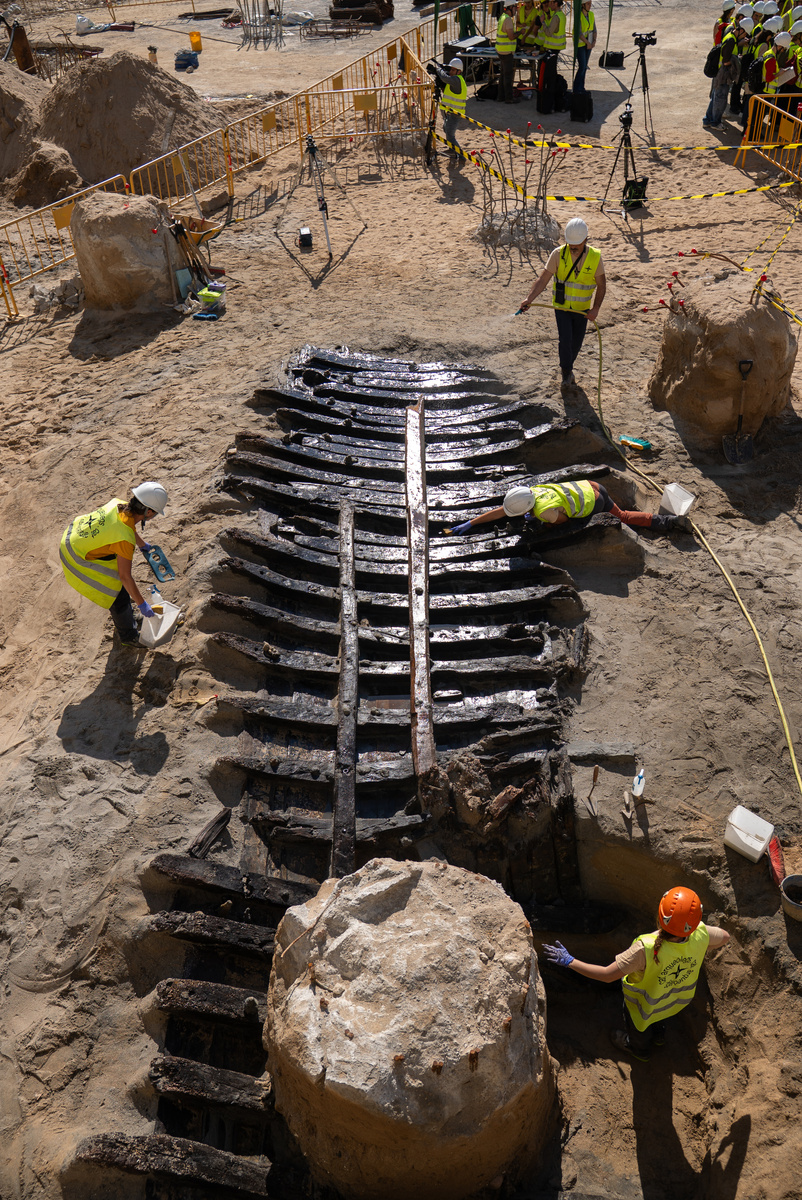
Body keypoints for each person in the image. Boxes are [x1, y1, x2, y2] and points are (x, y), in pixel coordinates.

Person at [543, 887, 730, 1062]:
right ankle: (659, 1037)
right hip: (674, 1001)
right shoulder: (700, 934)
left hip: (644, 1007)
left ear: (660, 916)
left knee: (639, 1029)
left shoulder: (645, 949)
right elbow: (724, 937)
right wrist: (699, 942)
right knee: (660, 1020)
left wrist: (570, 961)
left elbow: (607, 975)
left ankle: (639, 1050)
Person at [60, 482, 168, 648]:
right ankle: (128, 635)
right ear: (150, 511)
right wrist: (142, 604)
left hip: (75, 536)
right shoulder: (124, 539)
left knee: (120, 582)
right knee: (116, 592)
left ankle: (129, 619)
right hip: (77, 555)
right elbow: (125, 577)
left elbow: (125, 524)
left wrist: (142, 544)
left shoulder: (120, 505)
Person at [518, 216, 605, 387]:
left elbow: (602, 286)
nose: (573, 249)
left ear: (585, 240)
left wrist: (595, 308)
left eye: (577, 247)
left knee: (576, 344)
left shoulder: (595, 257)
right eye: (571, 246)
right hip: (561, 307)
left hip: (582, 310)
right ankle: (566, 374)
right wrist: (529, 298)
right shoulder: (557, 254)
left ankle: (568, 368)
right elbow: (542, 280)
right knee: (565, 340)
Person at [444, 479, 691, 535]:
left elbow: (564, 522)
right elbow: (504, 510)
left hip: (596, 502)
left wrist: (540, 519)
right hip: (590, 485)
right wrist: (472, 522)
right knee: (622, 512)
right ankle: (667, 520)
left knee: (623, 517)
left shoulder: (543, 510)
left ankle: (668, 522)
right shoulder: (534, 490)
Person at [704, 19, 740, 127]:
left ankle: (707, 120)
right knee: (720, 99)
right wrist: (736, 61)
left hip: (719, 72)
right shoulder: (731, 40)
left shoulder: (729, 35)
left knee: (715, 97)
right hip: (724, 74)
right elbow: (726, 61)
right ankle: (715, 122)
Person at [431, 57, 468, 158]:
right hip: (451, 112)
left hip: (455, 114)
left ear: (458, 71)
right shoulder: (455, 80)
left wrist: (439, 70)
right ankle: (452, 149)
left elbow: (444, 78)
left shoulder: (456, 80)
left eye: (453, 70)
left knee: (450, 135)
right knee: (446, 129)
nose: (451, 72)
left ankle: (461, 156)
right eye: (450, 69)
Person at [495, 0, 520, 104]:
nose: (516, 9)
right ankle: (509, 98)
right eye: (515, 7)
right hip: (506, 52)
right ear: (510, 7)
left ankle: (500, 96)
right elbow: (511, 36)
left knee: (503, 75)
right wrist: (520, 33)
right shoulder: (508, 19)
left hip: (500, 50)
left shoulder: (502, 17)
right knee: (508, 76)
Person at [573, 0, 596, 95]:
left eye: (590, 4)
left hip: (588, 44)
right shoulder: (578, 16)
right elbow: (579, 33)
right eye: (588, 4)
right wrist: (587, 43)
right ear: (583, 5)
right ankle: (577, 87)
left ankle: (581, 87)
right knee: (582, 66)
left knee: (584, 67)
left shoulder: (591, 15)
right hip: (581, 45)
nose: (590, 6)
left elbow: (594, 29)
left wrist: (594, 41)